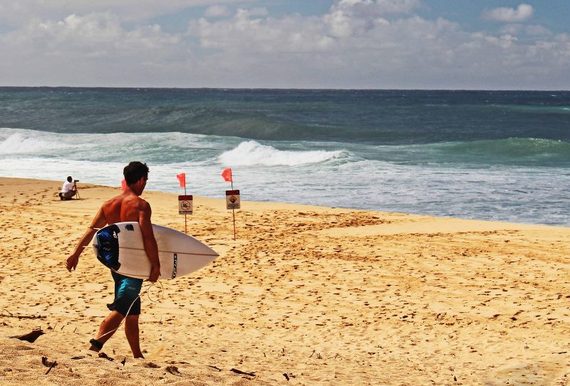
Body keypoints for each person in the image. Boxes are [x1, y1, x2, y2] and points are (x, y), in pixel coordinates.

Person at [65, 161, 161, 358]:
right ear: (140, 179)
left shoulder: (108, 205)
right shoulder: (141, 205)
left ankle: (137, 355)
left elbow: (92, 231)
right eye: (146, 181)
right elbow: (148, 237)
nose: (145, 185)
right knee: (122, 306)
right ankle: (95, 346)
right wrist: (156, 265)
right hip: (134, 264)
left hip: (116, 263)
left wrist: (76, 254)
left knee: (132, 312)